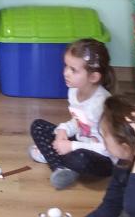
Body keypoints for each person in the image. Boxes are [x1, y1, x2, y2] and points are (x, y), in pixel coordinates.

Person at [29, 38, 115, 189]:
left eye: (73, 70)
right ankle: (60, 168)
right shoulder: (73, 91)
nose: (66, 73)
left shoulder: (102, 105)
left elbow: (109, 148)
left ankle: (55, 157)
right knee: (37, 126)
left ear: (93, 77)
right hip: (81, 140)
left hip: (101, 157)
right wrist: (64, 130)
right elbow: (79, 122)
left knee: (79, 159)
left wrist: (72, 146)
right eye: (66, 66)